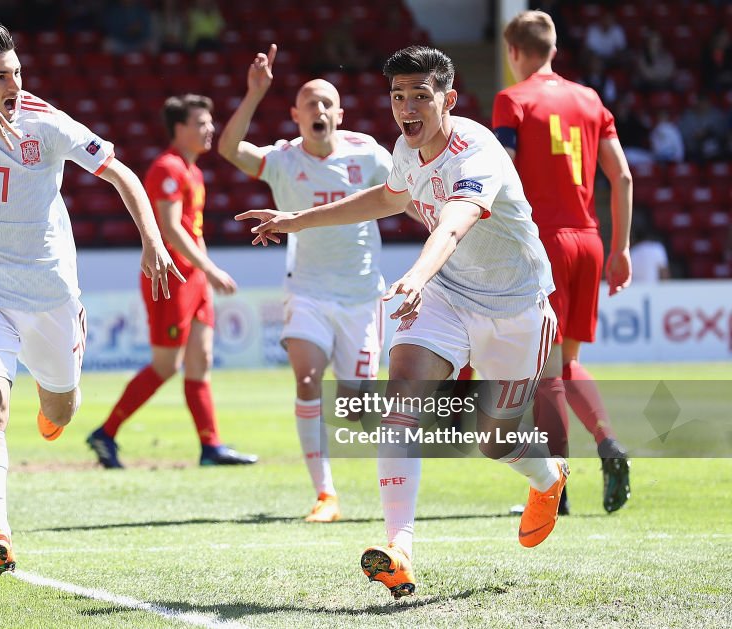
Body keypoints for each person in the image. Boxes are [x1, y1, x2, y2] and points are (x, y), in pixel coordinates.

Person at [237, 45, 569, 598]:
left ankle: (548, 477)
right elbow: (389, 198)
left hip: (514, 307)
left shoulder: (477, 152)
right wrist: (299, 219)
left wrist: (414, 274)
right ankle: (399, 549)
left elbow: (454, 224)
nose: (407, 107)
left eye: (421, 95)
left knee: (495, 439)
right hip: (446, 293)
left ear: (449, 99)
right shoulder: (405, 148)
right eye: (398, 96)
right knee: (401, 402)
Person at [0, 25, 182, 577]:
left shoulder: (47, 122)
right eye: (0, 75)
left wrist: (153, 239)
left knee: (58, 409)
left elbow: (120, 173)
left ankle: (54, 409)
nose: (15, 82)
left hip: (49, 293)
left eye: (17, 71)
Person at [219, 44, 391, 524]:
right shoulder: (282, 160)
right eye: (309, 103)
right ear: (295, 115)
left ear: (340, 113)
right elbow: (230, 150)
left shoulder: (369, 156)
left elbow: (409, 192)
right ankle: (325, 495)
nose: (318, 109)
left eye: (326, 102)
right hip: (308, 292)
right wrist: (254, 94)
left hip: (361, 296)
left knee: (358, 406)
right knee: (308, 379)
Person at [495, 10, 632, 515]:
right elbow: (622, 177)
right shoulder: (590, 99)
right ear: (552, 47)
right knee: (568, 361)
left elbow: (501, 172)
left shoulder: (513, 99)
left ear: (514, 52)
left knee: (544, 370)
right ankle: (609, 441)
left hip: (542, 242)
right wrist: (621, 247)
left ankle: (557, 490)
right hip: (590, 239)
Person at [86, 94, 256, 469]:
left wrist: (206, 270)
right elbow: (170, 229)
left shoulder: (192, 171)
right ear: (179, 129)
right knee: (166, 364)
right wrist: (210, 269)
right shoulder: (167, 167)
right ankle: (106, 433)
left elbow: (192, 231)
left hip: (193, 277)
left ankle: (211, 447)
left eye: (210, 122)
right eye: (201, 123)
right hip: (171, 277)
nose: (210, 129)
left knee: (202, 360)